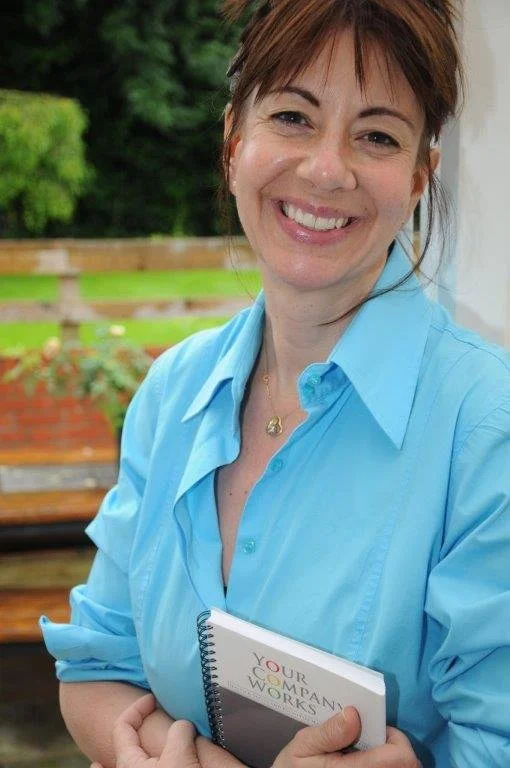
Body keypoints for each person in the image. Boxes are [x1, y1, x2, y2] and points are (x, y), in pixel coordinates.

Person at [41, 1, 510, 766]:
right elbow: (96, 665)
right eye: (293, 117)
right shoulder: (172, 393)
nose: (327, 169)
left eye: (378, 135)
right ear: (234, 141)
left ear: (419, 177)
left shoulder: (487, 428)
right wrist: (157, 751)